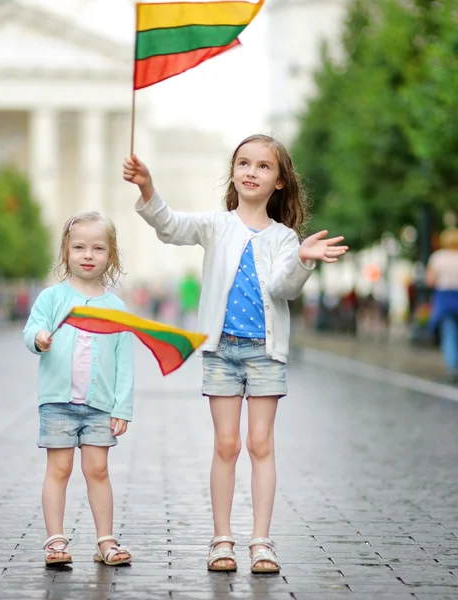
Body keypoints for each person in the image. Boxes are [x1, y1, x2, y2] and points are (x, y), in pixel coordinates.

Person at [123, 134, 348, 574]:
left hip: (265, 354)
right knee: (226, 445)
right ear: (233, 172)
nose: (251, 172)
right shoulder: (216, 224)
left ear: (280, 182)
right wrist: (148, 187)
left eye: (263, 166)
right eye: (243, 163)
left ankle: (261, 542)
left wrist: (302, 258)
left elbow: (283, 287)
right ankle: (221, 539)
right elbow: (170, 226)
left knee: (260, 444)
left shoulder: (285, 238)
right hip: (221, 351)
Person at [23, 211, 134, 567]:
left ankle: (105, 541)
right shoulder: (52, 297)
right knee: (59, 469)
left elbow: (125, 361)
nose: (88, 255)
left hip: (99, 406)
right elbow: (31, 331)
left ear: (110, 256)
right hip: (57, 403)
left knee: (98, 470)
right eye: (80, 247)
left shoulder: (116, 307)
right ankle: (55, 541)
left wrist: (123, 406)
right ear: (66, 251)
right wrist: (39, 338)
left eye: (98, 248)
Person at [426, 227, 458, 384]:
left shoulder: (438, 258)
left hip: (446, 298)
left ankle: (453, 367)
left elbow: (430, 281)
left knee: (449, 334)